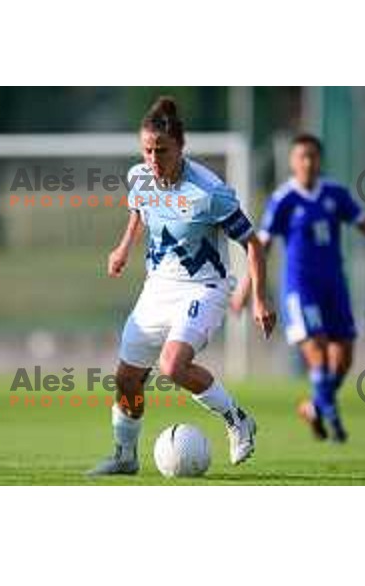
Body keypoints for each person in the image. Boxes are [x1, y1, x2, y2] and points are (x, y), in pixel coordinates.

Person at [89, 96, 275, 475]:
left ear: (180, 148)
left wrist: (259, 299)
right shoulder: (139, 176)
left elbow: (252, 244)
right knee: (127, 378)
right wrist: (123, 247)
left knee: (172, 365)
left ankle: (238, 419)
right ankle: (125, 457)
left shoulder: (209, 192)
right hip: (157, 287)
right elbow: (139, 210)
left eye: (162, 151)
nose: (153, 160)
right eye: (147, 150)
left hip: (204, 287)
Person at [231, 134, 365, 443]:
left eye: (312, 156)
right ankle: (333, 419)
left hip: (334, 285)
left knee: (344, 358)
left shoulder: (335, 194)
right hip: (300, 289)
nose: (307, 162)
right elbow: (263, 247)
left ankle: (314, 406)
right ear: (292, 161)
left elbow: (362, 221)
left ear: (319, 160)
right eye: (302, 156)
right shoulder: (283, 199)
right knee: (318, 352)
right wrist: (247, 290)